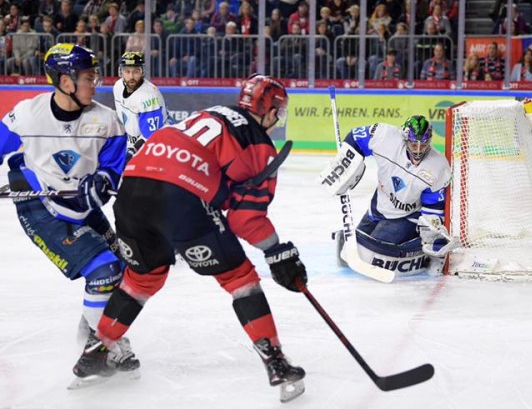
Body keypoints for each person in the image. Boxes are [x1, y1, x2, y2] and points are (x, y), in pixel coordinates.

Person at [72, 74, 308, 398]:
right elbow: (245, 219)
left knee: (142, 280)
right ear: (268, 110)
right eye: (277, 111)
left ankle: (95, 355)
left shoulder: (210, 113)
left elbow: (205, 165)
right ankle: (277, 365)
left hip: (131, 193)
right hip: (179, 198)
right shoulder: (259, 146)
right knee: (240, 279)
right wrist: (277, 251)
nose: (277, 118)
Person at [0, 43, 135, 373]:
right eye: (88, 77)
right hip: (41, 209)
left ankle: (91, 328)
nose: (96, 83)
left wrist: (100, 184)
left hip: (81, 208)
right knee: (105, 273)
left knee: (124, 269)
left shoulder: (107, 122)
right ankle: (100, 348)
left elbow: (113, 169)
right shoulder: (27, 116)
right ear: (64, 81)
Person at [318, 115, 453, 277]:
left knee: (370, 253)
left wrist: (431, 237)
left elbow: (433, 208)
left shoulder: (437, 166)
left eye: (423, 144)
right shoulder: (385, 137)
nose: (418, 149)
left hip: (407, 216)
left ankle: (412, 240)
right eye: (413, 143)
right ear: (404, 138)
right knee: (352, 249)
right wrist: (345, 163)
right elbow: (355, 137)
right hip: (377, 208)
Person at [113, 51, 170, 162]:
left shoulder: (149, 96)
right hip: (133, 144)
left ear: (142, 72)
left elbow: (151, 135)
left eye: (136, 71)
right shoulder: (118, 86)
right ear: (121, 72)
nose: (131, 76)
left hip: (158, 145)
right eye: (127, 71)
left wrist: (132, 151)